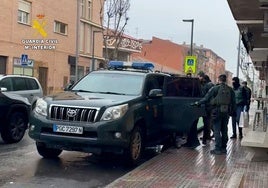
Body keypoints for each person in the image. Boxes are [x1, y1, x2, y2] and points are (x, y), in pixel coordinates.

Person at [192, 74, 236, 155]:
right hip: (226, 112)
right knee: (224, 130)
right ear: (225, 80)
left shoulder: (215, 88)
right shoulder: (230, 89)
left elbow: (206, 98)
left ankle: (217, 148)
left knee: (216, 130)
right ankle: (224, 148)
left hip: (217, 111)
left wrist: (198, 103)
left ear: (219, 80)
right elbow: (233, 102)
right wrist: (232, 112)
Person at [198, 72, 214, 145]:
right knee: (207, 122)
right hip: (208, 106)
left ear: (203, 78)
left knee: (207, 122)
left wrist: (200, 102)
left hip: (208, 106)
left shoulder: (208, 85)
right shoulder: (208, 84)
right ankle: (207, 136)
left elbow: (206, 96)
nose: (199, 79)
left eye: (199, 77)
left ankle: (205, 138)